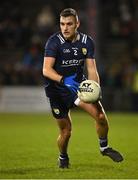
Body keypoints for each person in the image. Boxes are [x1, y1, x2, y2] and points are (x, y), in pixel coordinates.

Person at [43, 8, 123, 168]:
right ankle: (63, 157)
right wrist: (63, 80)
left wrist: (96, 88)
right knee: (66, 132)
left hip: (79, 87)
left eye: (69, 24)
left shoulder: (87, 42)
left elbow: (92, 69)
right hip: (57, 91)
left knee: (100, 117)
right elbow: (46, 69)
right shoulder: (53, 42)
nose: (65, 28)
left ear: (77, 24)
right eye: (62, 24)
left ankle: (104, 147)